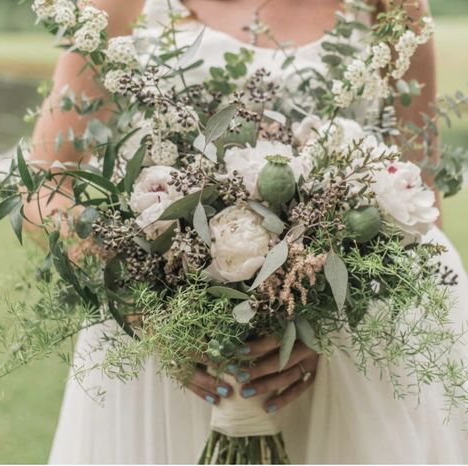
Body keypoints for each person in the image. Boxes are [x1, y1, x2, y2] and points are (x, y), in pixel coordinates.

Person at [25, 0, 468, 463]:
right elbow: (44, 185)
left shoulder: (396, 8)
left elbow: (416, 191)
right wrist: (146, 311)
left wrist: (327, 317)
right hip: (168, 344)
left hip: (350, 342)